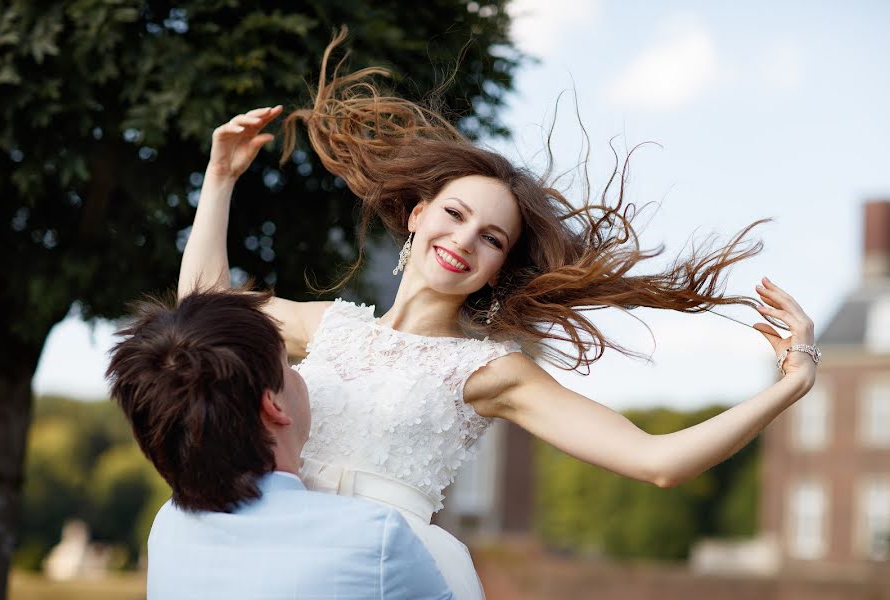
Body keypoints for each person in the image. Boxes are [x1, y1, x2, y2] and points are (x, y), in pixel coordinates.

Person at [178, 29, 820, 599]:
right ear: (418, 214)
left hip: (385, 574)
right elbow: (199, 314)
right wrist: (220, 178)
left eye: (491, 238)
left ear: (497, 268)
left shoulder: (492, 372)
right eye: (455, 215)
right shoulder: (329, 327)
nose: (463, 241)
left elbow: (657, 462)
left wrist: (793, 385)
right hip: (285, 547)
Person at [105, 288, 453, 600]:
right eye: (288, 363)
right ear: (273, 405)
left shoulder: (167, 529)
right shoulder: (378, 539)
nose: (299, 373)